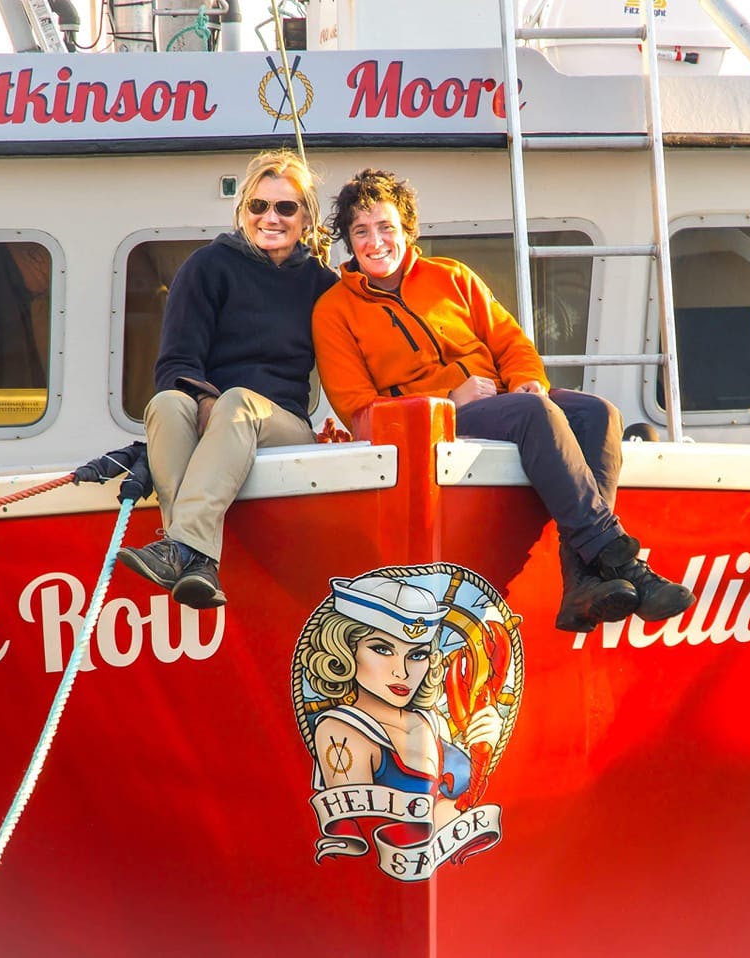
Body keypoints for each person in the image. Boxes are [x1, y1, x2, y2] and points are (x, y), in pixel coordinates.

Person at [312, 169, 695, 632]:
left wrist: (527, 378)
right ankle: (621, 562)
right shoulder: (333, 311)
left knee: (598, 414)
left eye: (386, 227)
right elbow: (358, 409)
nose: (376, 242)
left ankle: (581, 582)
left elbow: (511, 342)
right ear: (349, 242)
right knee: (534, 412)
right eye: (361, 231)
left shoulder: (452, 277)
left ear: (407, 229)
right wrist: (448, 398)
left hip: (504, 401)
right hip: (432, 425)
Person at [117, 150, 338, 608]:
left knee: (239, 401)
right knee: (163, 404)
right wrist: (202, 403)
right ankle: (198, 566)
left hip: (283, 424)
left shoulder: (322, 285)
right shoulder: (208, 267)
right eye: (258, 206)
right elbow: (176, 363)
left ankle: (181, 546)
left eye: (285, 207)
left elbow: (352, 357)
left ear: (305, 218)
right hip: (215, 415)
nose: (269, 217)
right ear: (243, 211)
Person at [300, 573, 502, 829]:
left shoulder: (431, 718)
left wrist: (485, 746)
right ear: (346, 651)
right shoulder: (341, 732)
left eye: (417, 655)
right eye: (382, 649)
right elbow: (364, 832)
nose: (403, 672)